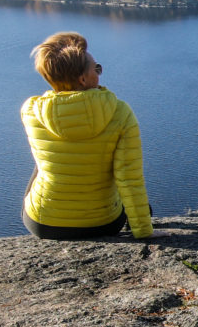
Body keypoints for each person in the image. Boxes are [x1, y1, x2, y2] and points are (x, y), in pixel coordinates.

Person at [21, 32, 152, 239]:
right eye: (96, 68)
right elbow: (129, 178)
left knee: (43, 162)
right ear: (83, 79)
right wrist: (144, 230)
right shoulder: (120, 112)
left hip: (43, 224)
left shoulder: (30, 110)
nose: (99, 73)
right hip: (102, 224)